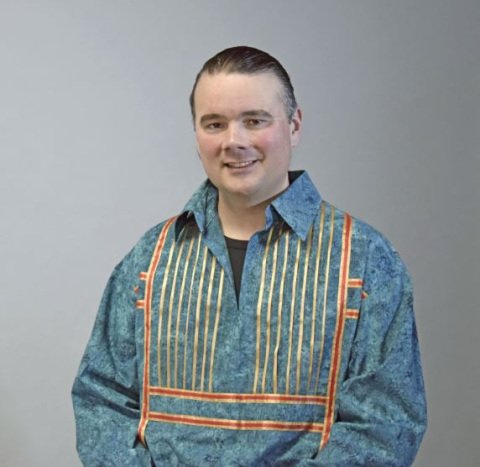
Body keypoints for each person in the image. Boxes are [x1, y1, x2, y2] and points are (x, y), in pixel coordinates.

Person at [72, 46, 427, 466]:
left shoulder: (365, 261)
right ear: (196, 135)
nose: (234, 141)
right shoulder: (149, 258)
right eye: (214, 124)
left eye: (254, 120)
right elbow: (102, 399)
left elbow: (385, 425)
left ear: (294, 126)